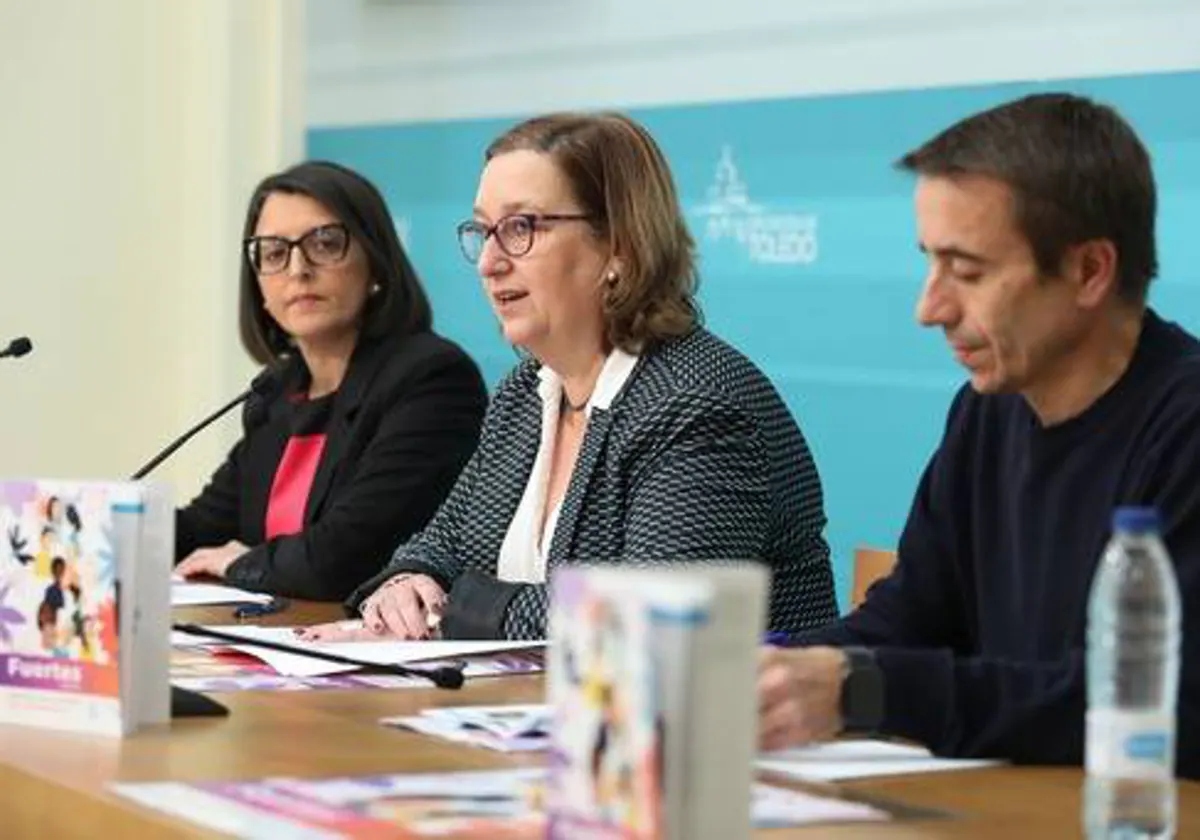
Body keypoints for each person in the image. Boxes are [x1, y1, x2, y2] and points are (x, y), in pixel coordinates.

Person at [757, 92, 1200, 779]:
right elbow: (908, 620)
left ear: (1089, 271)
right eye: (929, 263)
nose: (929, 307)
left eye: (967, 272)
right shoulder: (985, 411)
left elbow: (1150, 708)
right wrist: (767, 672)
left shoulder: (1186, 427)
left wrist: (862, 688)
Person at [302, 112, 837, 641]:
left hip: (721, 723)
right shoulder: (526, 394)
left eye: (520, 228)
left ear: (619, 247)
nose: (489, 262)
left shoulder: (695, 402)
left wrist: (447, 614)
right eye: (483, 231)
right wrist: (407, 582)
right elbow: (441, 543)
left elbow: (642, 616)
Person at [175, 161, 488, 601]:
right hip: (281, 646)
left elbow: (344, 558)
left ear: (375, 262)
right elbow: (199, 528)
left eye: (324, 243)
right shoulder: (278, 393)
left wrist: (240, 563)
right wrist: (81, 526)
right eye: (274, 252)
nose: (298, 269)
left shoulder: (431, 379)